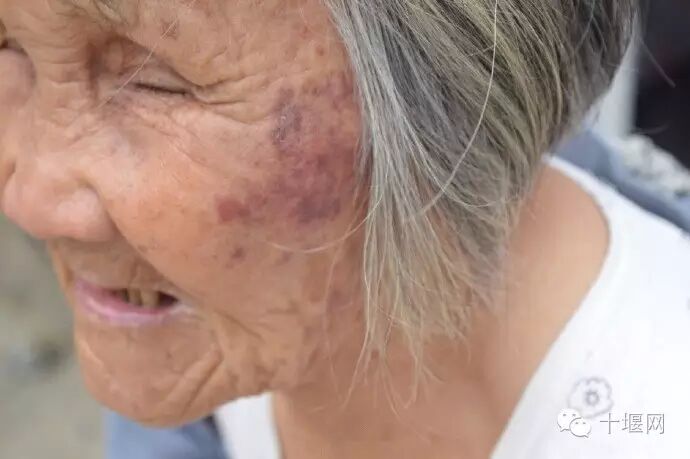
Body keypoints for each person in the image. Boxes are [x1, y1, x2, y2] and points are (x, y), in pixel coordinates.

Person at [2, 1, 688, 458]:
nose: (29, 202)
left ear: (457, 99)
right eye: (8, 46)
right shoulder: (191, 316)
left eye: (155, 81)